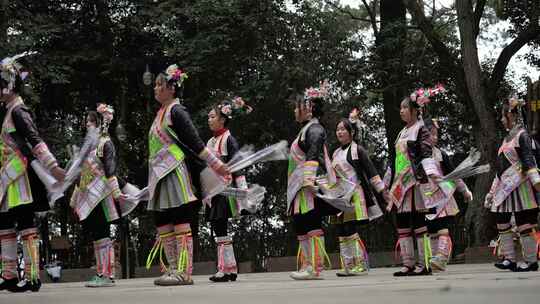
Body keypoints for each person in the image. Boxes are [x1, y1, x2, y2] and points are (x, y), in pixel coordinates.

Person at [146, 64, 229, 286]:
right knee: (163, 221)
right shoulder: (161, 113)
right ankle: (172, 268)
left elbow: (195, 142)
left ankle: (183, 271)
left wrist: (217, 165)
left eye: (159, 84)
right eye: (154, 85)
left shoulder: (177, 111)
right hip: (159, 175)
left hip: (175, 172)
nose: (155, 88)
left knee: (180, 218)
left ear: (172, 88)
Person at [0, 53, 65, 292]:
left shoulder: (19, 111)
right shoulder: (6, 111)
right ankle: (8, 275)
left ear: (8, 85)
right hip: (6, 180)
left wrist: (53, 166)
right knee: (4, 225)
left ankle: (33, 276)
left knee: (25, 223)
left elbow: (34, 139)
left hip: (21, 179)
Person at [287, 81, 340, 280]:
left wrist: (309, 178)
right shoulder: (305, 129)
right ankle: (307, 265)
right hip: (298, 187)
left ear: (308, 109)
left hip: (309, 185)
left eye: (297, 106)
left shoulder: (315, 129)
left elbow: (314, 151)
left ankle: (315, 267)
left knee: (311, 222)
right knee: (301, 224)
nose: (294, 110)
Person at [70, 104, 128, 287]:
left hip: (102, 195)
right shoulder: (88, 147)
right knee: (97, 235)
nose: (87, 124)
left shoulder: (106, 143)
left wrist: (117, 191)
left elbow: (110, 169)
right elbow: (83, 175)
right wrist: (75, 195)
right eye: (86, 122)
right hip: (89, 195)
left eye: (91, 121)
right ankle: (101, 273)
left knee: (102, 233)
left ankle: (107, 274)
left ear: (101, 123)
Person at [386, 91, 440, 277]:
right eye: (400, 108)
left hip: (415, 182)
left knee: (418, 221)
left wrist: (431, 174)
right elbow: (396, 159)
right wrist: (388, 182)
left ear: (415, 110)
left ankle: (424, 263)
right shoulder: (402, 132)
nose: (401, 111)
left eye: (404, 108)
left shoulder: (421, 129)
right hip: (401, 183)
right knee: (402, 222)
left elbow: (426, 153)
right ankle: (407, 263)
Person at [485, 97, 540, 272]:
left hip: (522, 186)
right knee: (501, 220)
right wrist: (492, 191)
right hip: (506, 188)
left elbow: (529, 161)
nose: (501, 120)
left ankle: (531, 261)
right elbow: (500, 168)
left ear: (511, 115)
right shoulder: (507, 139)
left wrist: (537, 183)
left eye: (503, 116)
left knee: (524, 223)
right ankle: (509, 258)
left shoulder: (523, 136)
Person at [331, 114, 388, 276]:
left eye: (343, 129)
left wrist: (382, 191)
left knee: (350, 227)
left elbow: (372, 172)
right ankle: (348, 265)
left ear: (351, 132)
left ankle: (360, 264)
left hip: (354, 194)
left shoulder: (358, 150)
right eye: (337, 130)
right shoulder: (335, 153)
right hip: (339, 196)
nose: (339, 132)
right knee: (341, 229)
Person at [205, 97, 252, 282]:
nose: (209, 120)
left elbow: (237, 166)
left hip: (225, 190)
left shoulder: (228, 140)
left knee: (220, 226)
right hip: (212, 191)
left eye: (212, 117)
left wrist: (243, 195)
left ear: (222, 119)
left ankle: (224, 269)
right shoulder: (210, 142)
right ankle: (230, 268)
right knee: (219, 227)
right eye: (208, 117)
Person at [423, 119, 473, 272]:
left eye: (436, 134)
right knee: (431, 229)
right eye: (431, 134)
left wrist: (464, 191)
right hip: (425, 198)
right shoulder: (416, 155)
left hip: (442, 198)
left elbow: (454, 175)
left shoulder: (441, 155)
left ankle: (442, 257)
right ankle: (433, 259)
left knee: (442, 226)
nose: (435, 138)